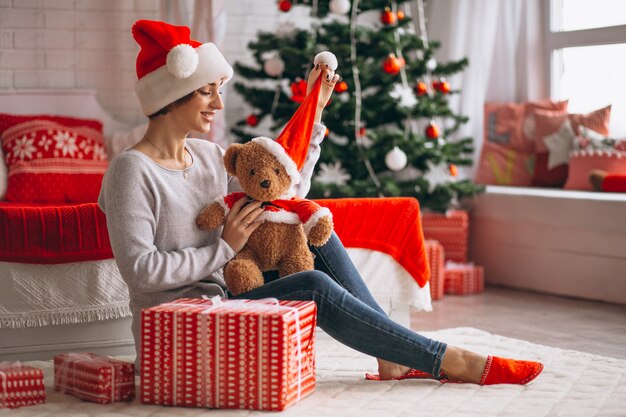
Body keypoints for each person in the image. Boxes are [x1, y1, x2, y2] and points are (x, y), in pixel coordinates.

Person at [99, 19, 543, 385]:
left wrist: (316, 109)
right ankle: (447, 360)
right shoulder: (131, 171)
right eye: (206, 91)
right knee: (312, 284)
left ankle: (393, 357)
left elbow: (285, 195)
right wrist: (224, 249)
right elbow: (139, 271)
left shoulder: (210, 157)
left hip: (230, 301)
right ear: (171, 96)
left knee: (314, 232)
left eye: (218, 89)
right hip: (180, 327)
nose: (218, 102)